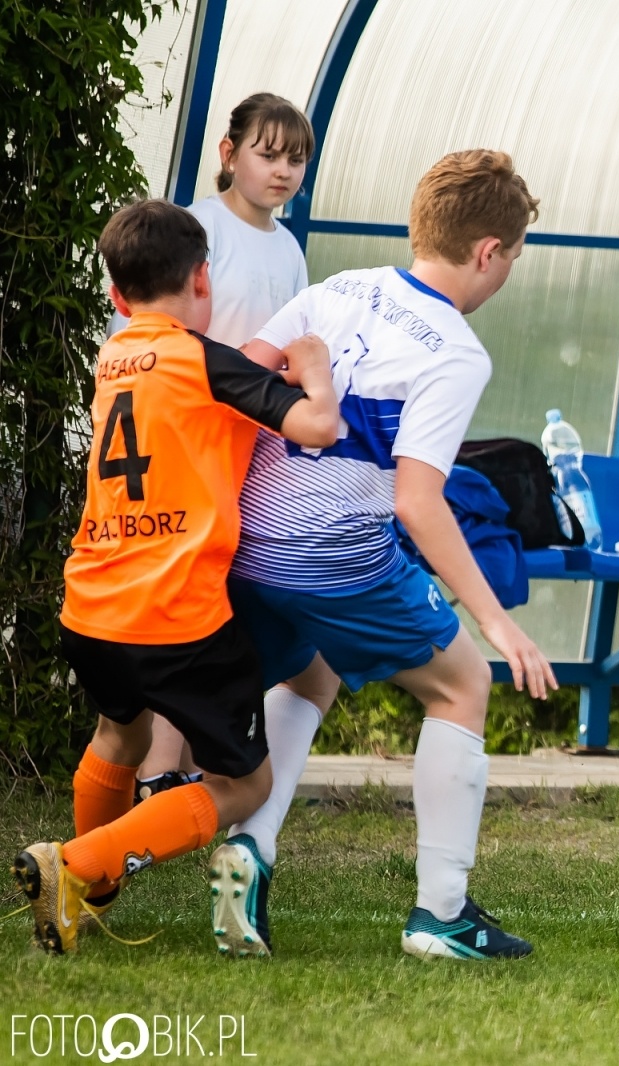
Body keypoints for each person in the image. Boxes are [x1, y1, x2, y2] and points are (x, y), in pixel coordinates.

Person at [215, 149, 557, 961]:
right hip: (331, 554)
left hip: (247, 536)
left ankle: (250, 851)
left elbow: (234, 382)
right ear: (488, 253)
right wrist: (498, 624)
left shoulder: (335, 287)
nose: (506, 272)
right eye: (511, 257)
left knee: (313, 667)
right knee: (462, 682)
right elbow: (416, 501)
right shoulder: (456, 351)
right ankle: (442, 915)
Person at [13, 199, 338, 956]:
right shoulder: (204, 359)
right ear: (202, 279)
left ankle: (85, 899)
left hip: (91, 606)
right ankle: (77, 863)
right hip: (177, 615)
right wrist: (313, 370)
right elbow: (316, 428)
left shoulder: (112, 356)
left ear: (117, 298)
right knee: (245, 786)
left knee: (120, 733)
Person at [132, 93, 317, 804]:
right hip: (193, 446)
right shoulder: (194, 232)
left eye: (296, 158)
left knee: (220, 608)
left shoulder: (291, 247)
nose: (283, 171)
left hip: (257, 451)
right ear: (228, 154)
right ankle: (155, 774)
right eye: (268, 154)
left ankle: (180, 772)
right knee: (182, 605)